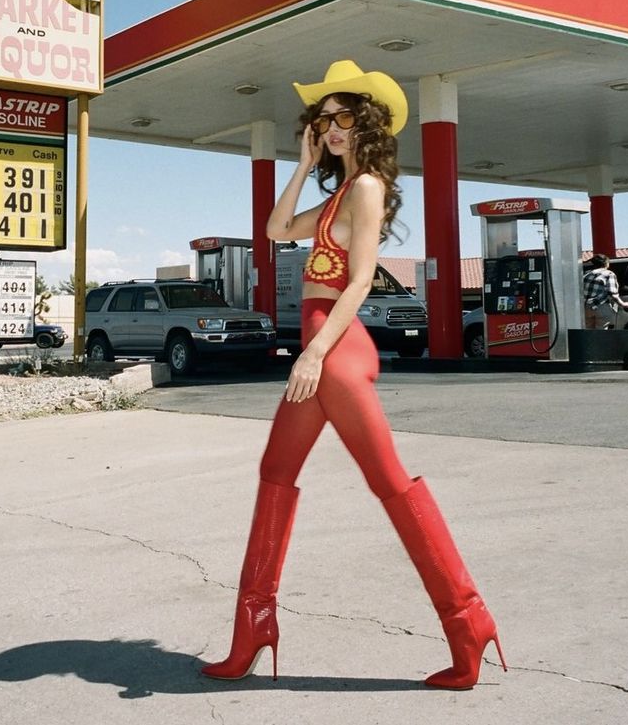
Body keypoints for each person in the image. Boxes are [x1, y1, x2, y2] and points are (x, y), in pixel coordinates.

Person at [200, 60, 506, 690]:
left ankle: (467, 619)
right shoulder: (336, 191)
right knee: (275, 473)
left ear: (366, 124)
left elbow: (361, 280)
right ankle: (253, 625)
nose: (332, 128)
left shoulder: (365, 187)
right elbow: (276, 229)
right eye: (324, 119)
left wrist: (313, 355)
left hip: (333, 347)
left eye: (343, 118)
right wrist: (306, 166)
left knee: (389, 481)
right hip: (323, 340)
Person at [583, 253, 628, 329]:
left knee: (588, 331)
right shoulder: (609, 274)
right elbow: (613, 294)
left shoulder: (586, 274)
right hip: (601, 306)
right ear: (606, 263)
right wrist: (624, 304)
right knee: (602, 333)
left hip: (586, 308)